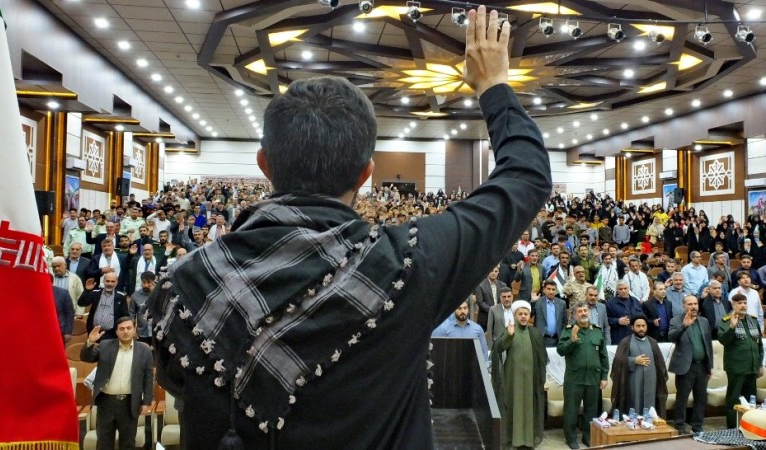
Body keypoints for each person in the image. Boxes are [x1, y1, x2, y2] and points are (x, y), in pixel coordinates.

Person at [149, 8, 552, 449]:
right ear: (366, 174)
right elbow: (525, 177)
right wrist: (493, 84)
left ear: (264, 165)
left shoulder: (181, 284)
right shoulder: (406, 263)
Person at [80, 317, 153, 450]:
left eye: (129, 328)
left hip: (129, 404)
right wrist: (90, 341)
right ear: (116, 332)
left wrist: (147, 402)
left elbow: (149, 377)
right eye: (122, 329)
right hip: (106, 403)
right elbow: (86, 357)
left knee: (128, 444)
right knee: (104, 444)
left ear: (134, 329)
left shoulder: (144, 350)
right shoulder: (105, 345)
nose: (126, 331)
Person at [491, 300, 547, 449]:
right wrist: (509, 336)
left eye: (526, 314)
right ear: (515, 316)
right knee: (514, 408)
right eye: (520, 314)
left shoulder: (535, 333)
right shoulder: (509, 330)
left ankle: (528, 441)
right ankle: (513, 441)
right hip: (513, 379)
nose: (523, 316)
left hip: (531, 379)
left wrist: (541, 378)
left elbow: (542, 358)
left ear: (529, 316)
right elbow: (498, 349)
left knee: (529, 409)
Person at [558, 301, 609, 450]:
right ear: (574, 315)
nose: (583, 313)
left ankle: (588, 437)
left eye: (585, 310)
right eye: (579, 311)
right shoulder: (568, 330)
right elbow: (561, 350)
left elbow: (603, 356)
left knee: (591, 410)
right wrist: (572, 340)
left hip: (593, 378)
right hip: (574, 379)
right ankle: (571, 438)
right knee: (571, 410)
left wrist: (604, 376)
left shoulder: (597, 331)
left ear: (589, 312)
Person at [668, 295, 713, 435]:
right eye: (690, 304)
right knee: (682, 398)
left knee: (701, 398)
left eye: (695, 304)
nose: (693, 307)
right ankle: (679, 426)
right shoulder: (676, 320)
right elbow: (671, 337)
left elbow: (708, 345)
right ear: (683, 306)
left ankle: (697, 427)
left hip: (702, 366)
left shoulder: (704, 321)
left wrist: (709, 366)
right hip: (685, 367)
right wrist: (684, 326)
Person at [718, 293, 764, 428]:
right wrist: (732, 327)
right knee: (734, 399)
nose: (743, 305)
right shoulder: (726, 320)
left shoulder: (753, 320)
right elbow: (723, 340)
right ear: (733, 305)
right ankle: (732, 427)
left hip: (752, 366)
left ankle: (749, 426)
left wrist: (760, 364)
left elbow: (759, 344)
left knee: (751, 399)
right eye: (739, 303)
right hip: (736, 367)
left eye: (744, 303)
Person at [610, 315, 668, 419]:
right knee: (634, 408)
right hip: (633, 384)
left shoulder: (652, 342)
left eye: (643, 326)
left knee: (651, 410)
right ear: (632, 327)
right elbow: (617, 363)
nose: (641, 328)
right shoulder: (626, 342)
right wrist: (634, 361)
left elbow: (660, 364)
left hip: (651, 384)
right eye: (638, 326)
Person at [78, 273, 131, 340]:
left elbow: (125, 315)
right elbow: (81, 303)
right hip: (94, 332)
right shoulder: (96, 293)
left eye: (112, 281)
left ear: (116, 282)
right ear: (103, 281)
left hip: (111, 334)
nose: (109, 284)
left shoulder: (121, 296)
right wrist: (87, 290)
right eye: (107, 281)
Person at [473, 266, 507, 331]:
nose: (494, 273)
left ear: (498, 272)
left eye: (496, 271)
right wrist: (493, 310)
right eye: (492, 271)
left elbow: (505, 300)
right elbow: (480, 302)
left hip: (499, 318)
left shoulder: (503, 285)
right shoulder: (480, 285)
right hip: (485, 318)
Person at [535, 279, 567, 347]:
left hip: (557, 340)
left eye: (553, 289)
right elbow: (530, 314)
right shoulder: (538, 302)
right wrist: (532, 301)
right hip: (542, 339)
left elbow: (564, 322)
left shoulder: (562, 303)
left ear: (556, 291)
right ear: (544, 290)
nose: (551, 292)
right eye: (548, 289)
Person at [131, 272, 156, 346]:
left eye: (149, 282)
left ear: (154, 282)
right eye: (144, 282)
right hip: (142, 333)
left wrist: (154, 293)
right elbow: (131, 314)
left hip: (156, 332)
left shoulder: (160, 294)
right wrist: (133, 330)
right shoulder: (135, 295)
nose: (146, 285)